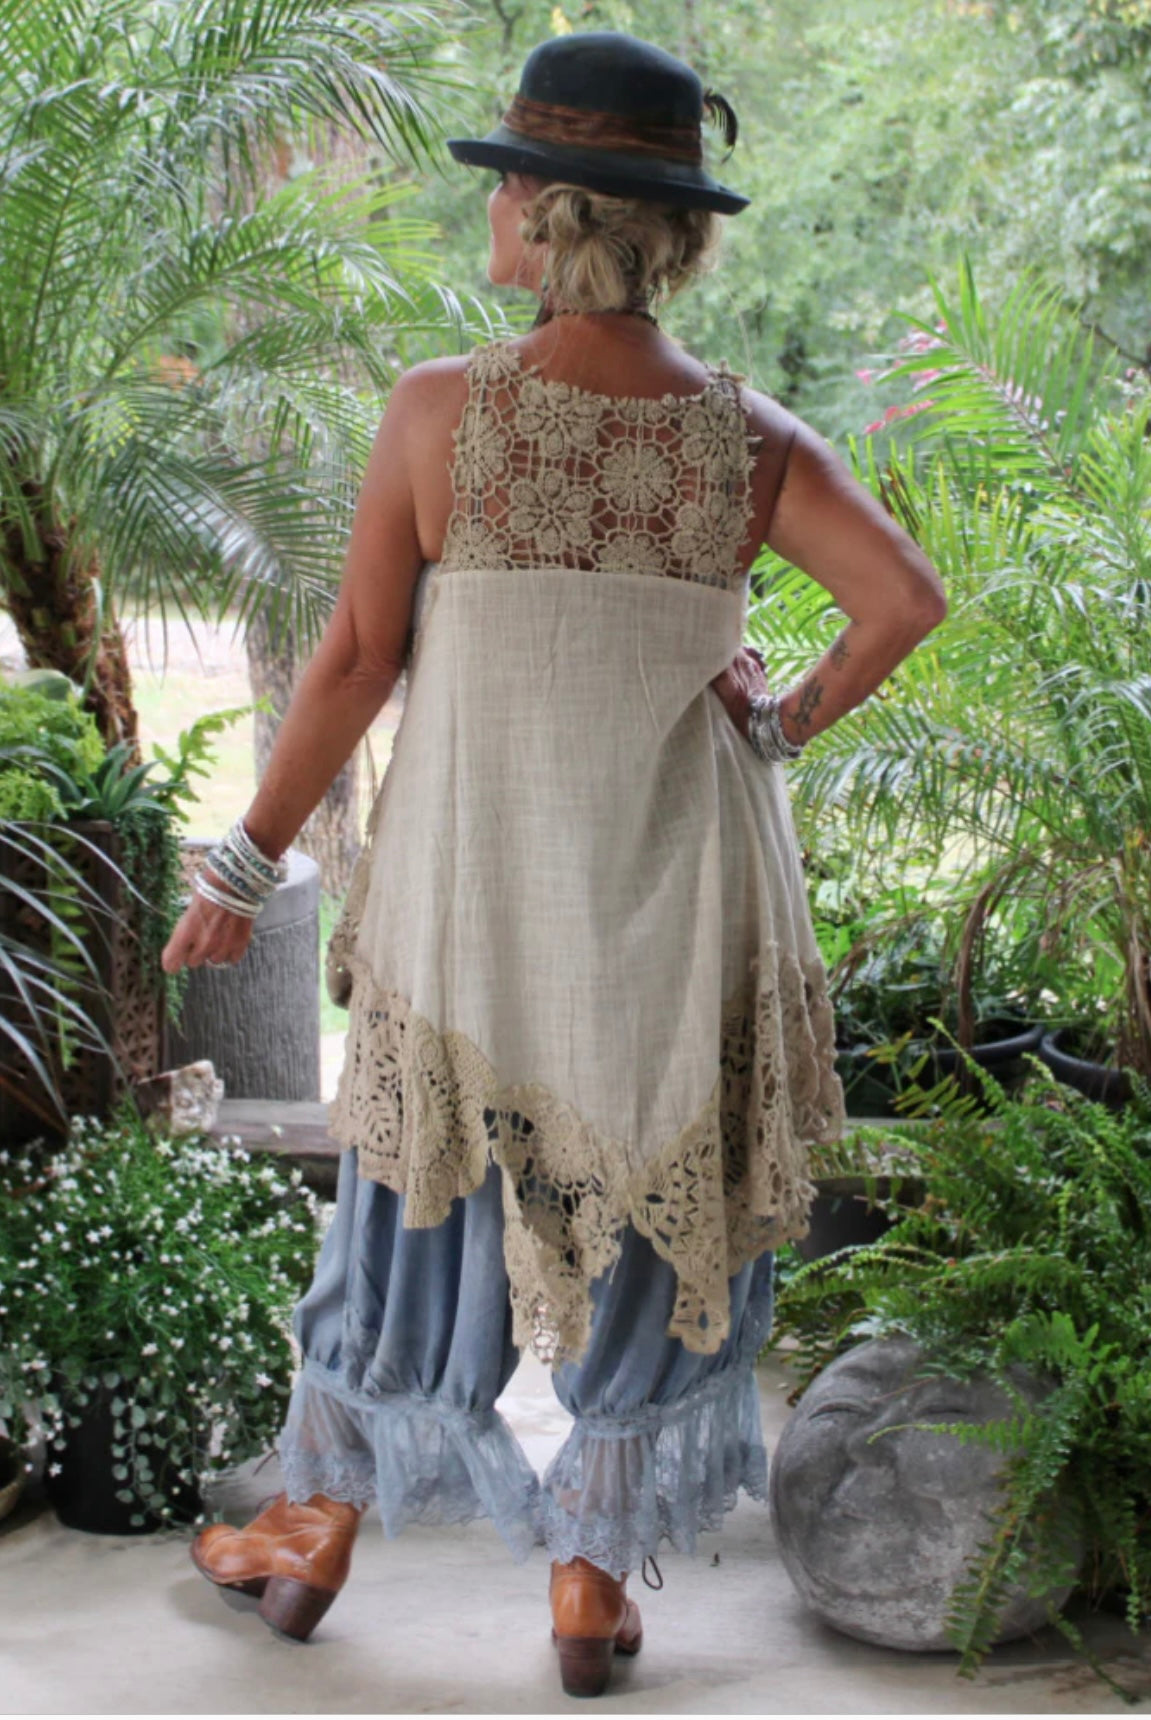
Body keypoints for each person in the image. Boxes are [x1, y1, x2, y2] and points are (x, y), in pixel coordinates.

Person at [164, 31, 946, 1698]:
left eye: (505, 183)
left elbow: (353, 662)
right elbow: (904, 602)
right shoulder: (748, 440)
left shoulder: (440, 414)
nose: (494, 210)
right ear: (671, 234)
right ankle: (589, 1576)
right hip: (682, 894)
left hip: (476, 892)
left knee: (420, 1178)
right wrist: (779, 720)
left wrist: (238, 868)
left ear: (545, 212)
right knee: (663, 1174)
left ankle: (312, 1530)